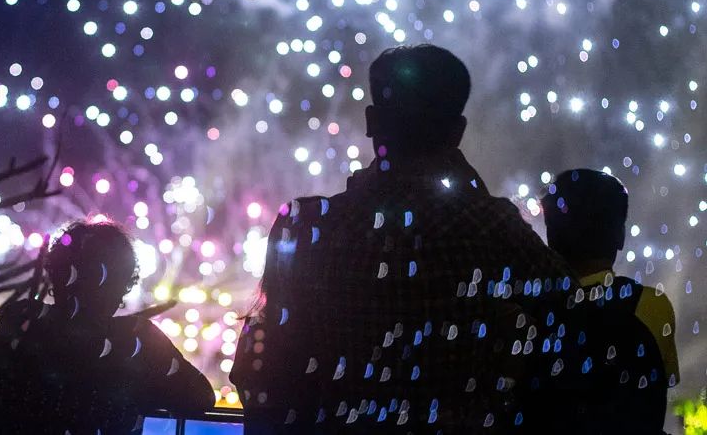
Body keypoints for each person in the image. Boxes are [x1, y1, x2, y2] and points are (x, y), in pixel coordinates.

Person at [231, 44, 576, 433]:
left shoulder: (305, 225)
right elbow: (573, 311)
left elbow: (268, 362)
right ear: (457, 132)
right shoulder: (489, 226)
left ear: (372, 121)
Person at [0, 219, 214, 435]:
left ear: (57, 275)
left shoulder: (22, 318)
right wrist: (142, 390)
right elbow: (200, 398)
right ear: (122, 284)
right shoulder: (140, 338)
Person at [540, 168, 680, 434]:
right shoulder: (651, 306)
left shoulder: (529, 312)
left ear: (551, 237)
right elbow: (663, 385)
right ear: (620, 237)